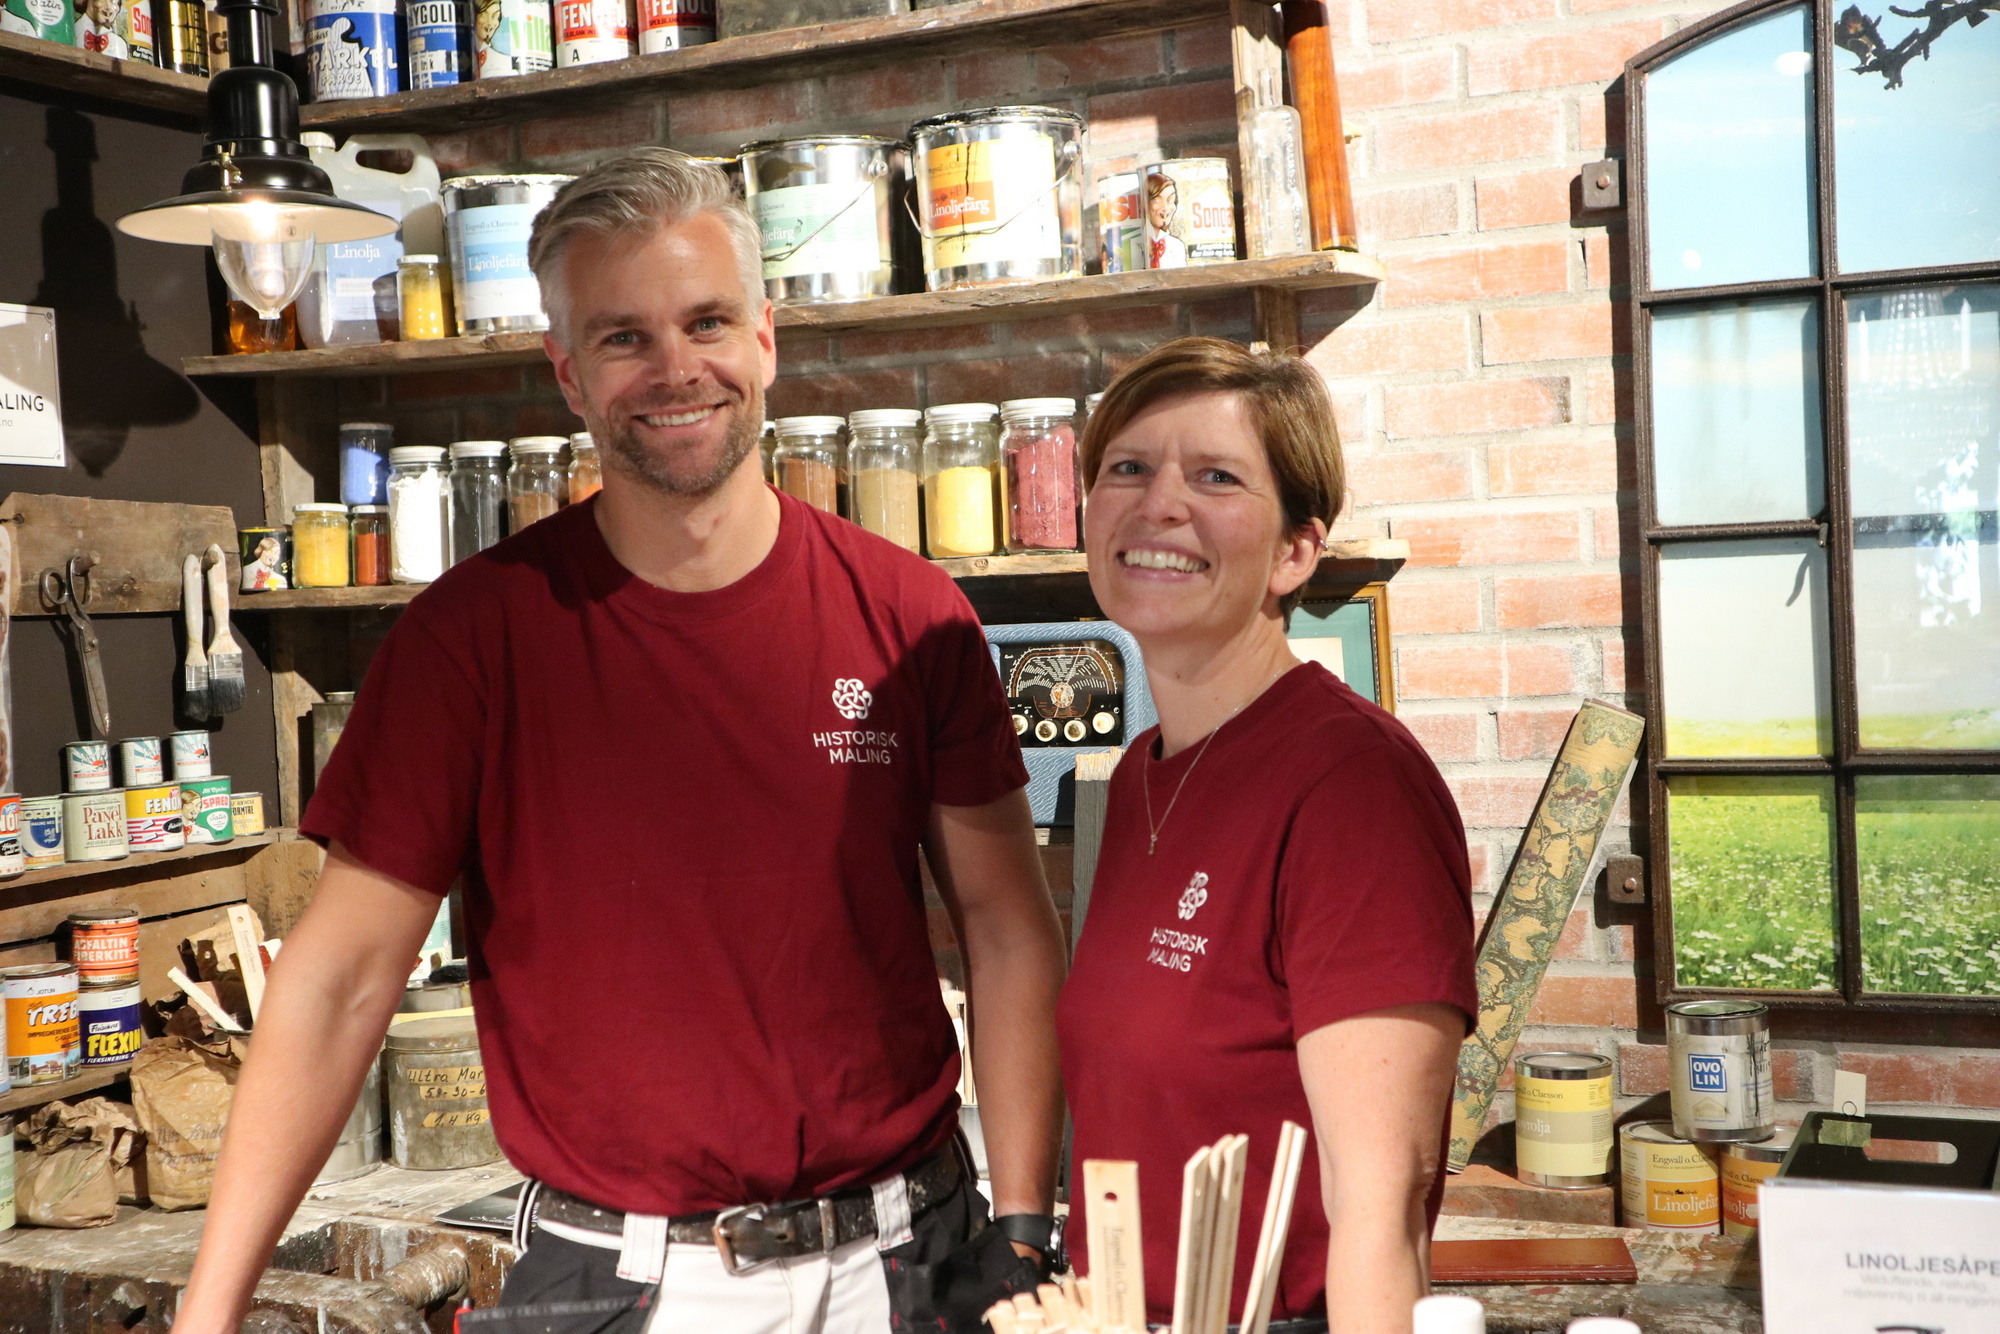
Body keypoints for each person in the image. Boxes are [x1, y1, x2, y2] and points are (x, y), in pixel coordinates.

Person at [172, 150, 1068, 1334]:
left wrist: (1021, 1225)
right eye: (622, 337)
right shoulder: (470, 641)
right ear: (567, 373)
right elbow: (336, 984)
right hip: (616, 1283)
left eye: (706, 322)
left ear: (765, 340)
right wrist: (208, 1310)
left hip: (908, 1260)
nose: (674, 369)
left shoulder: (908, 617)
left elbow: (1006, 926)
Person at [1058, 337, 1477, 1334]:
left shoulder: (1350, 782)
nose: (1158, 503)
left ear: (1295, 550)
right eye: (1126, 467)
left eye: (1214, 476)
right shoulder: (1136, 775)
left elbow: (1376, 1208)